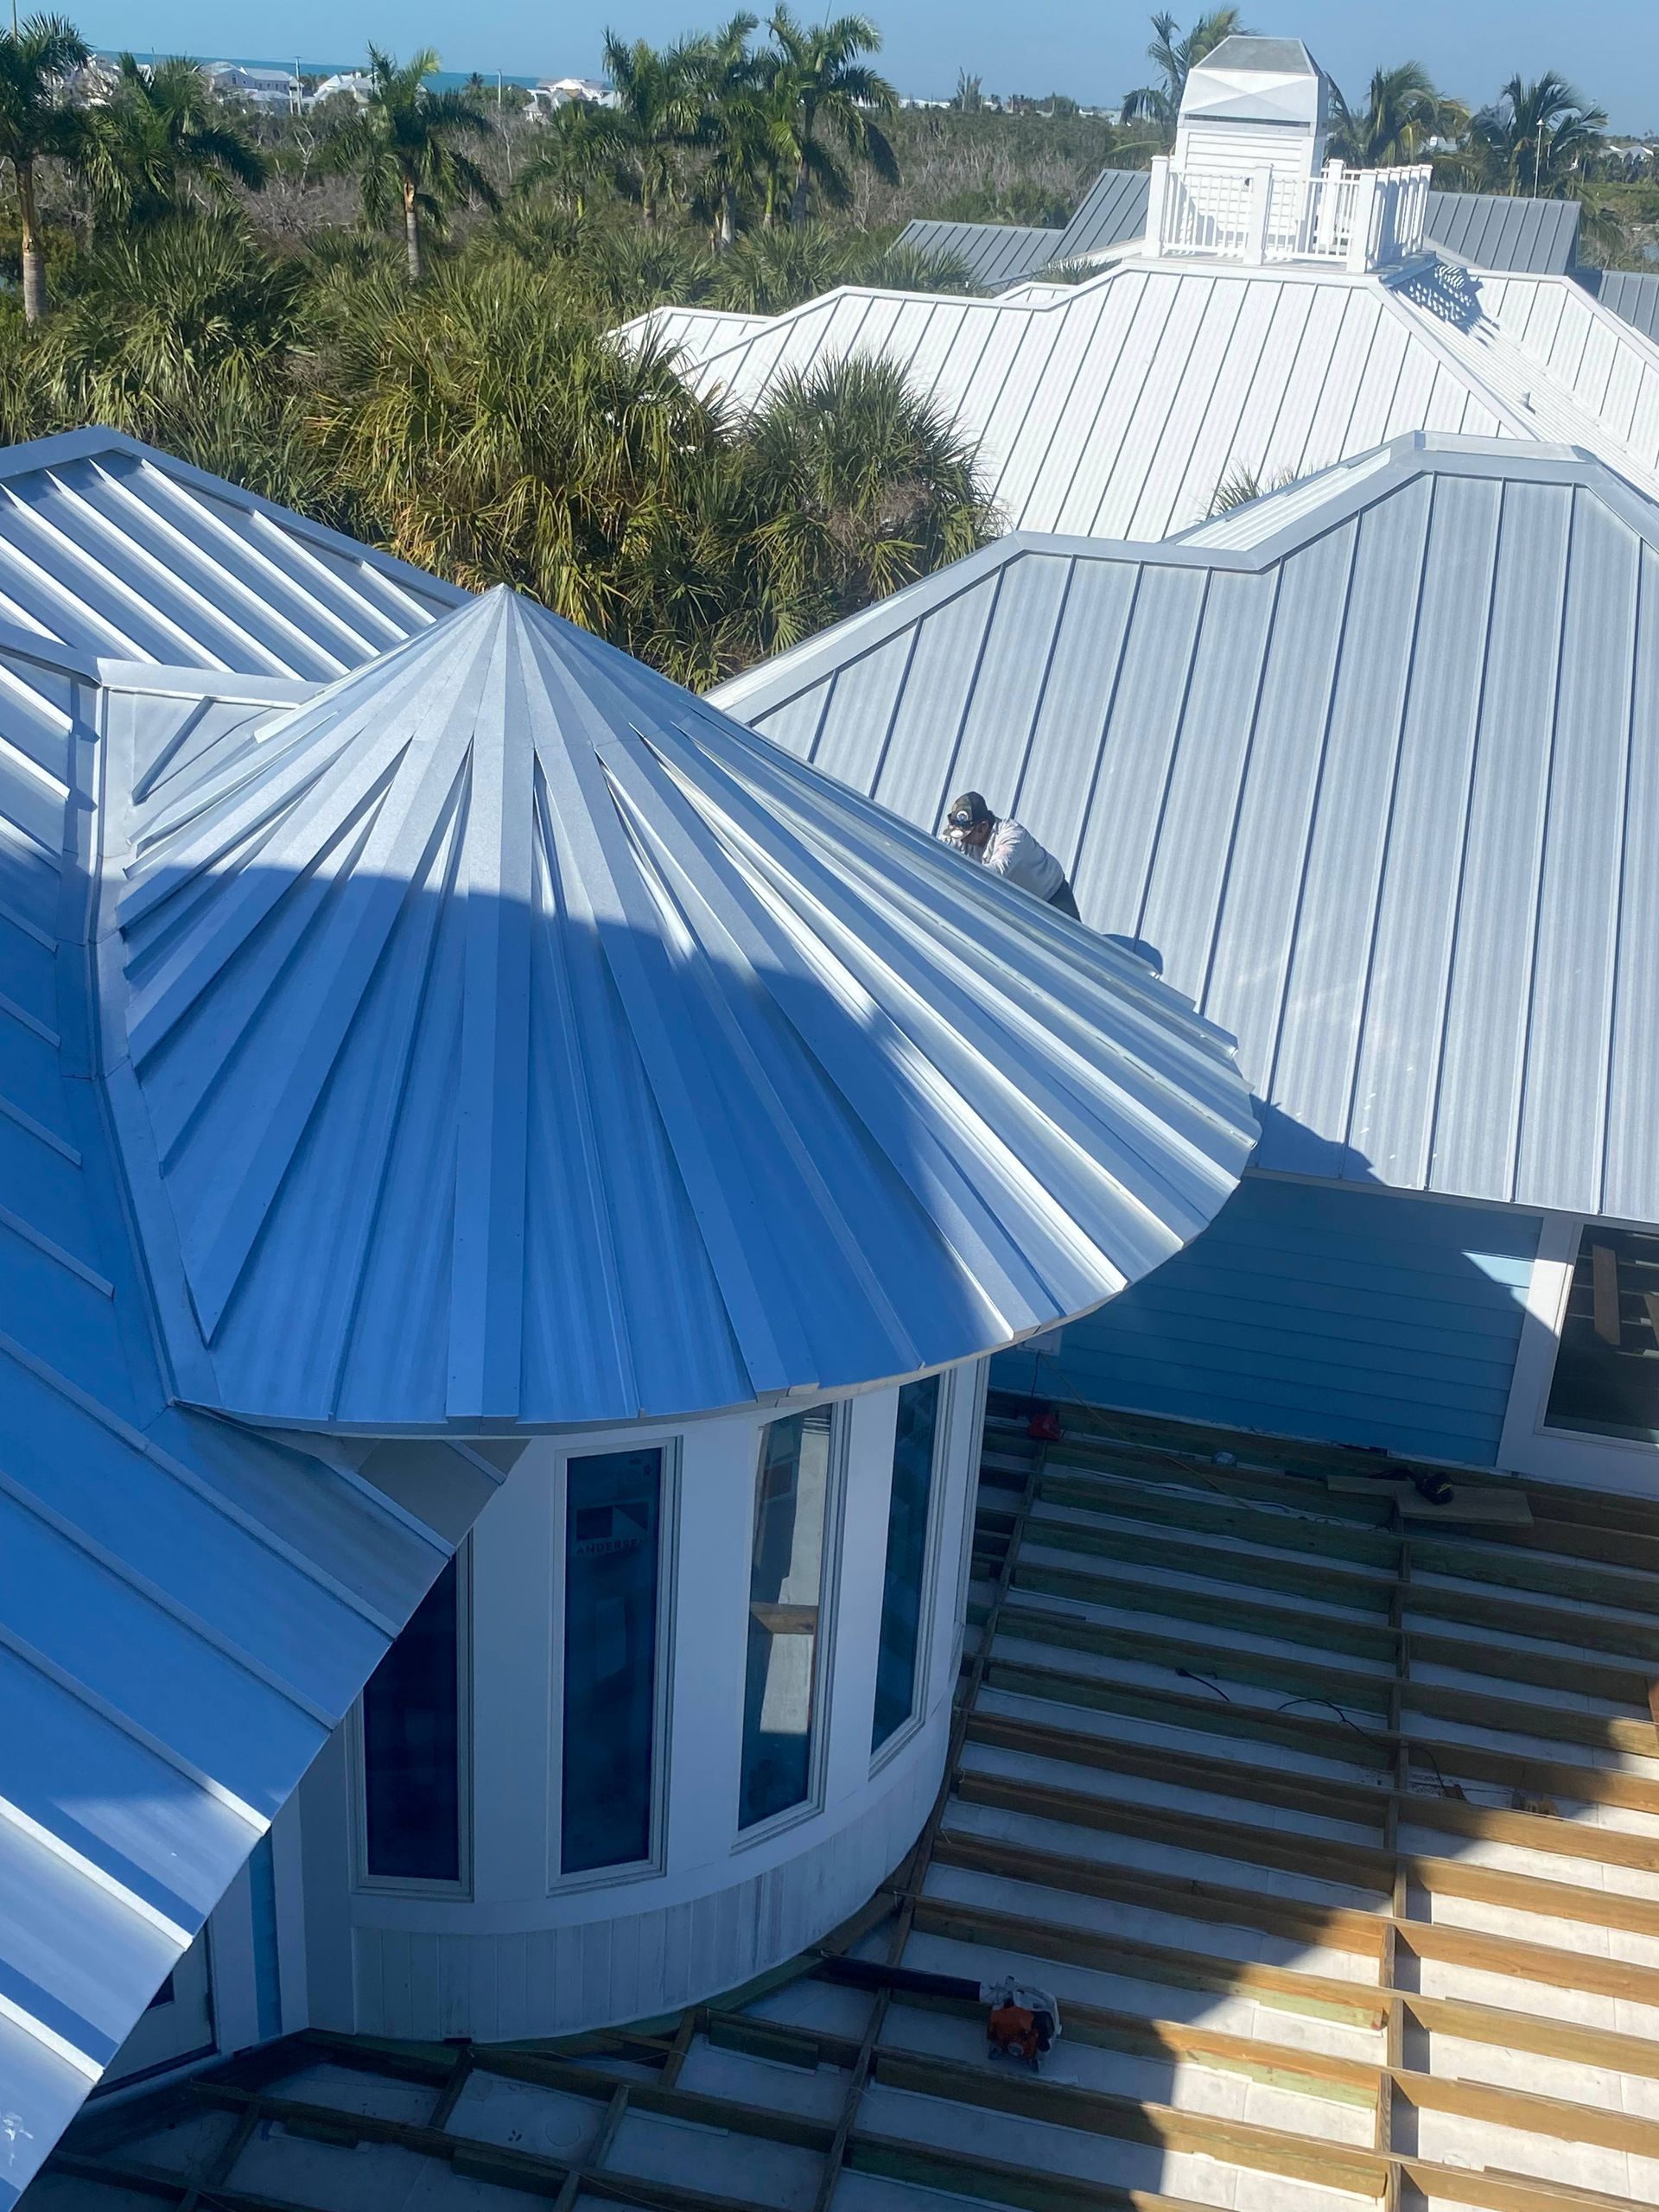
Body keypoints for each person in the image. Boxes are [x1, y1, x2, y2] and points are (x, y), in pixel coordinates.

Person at [939, 791, 1081, 918]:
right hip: (1022, 906)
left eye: (966, 835)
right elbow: (940, 847)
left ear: (983, 826)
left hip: (1052, 896)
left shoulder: (1012, 837)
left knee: (1077, 943)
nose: (962, 840)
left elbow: (996, 872)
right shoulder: (963, 836)